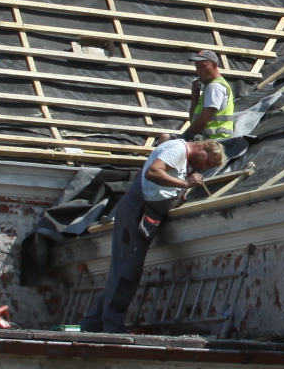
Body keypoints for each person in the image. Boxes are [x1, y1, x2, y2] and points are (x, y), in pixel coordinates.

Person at [79, 135, 225, 332]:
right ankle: (112, 327)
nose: (203, 167)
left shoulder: (182, 157)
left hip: (144, 214)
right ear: (202, 148)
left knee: (125, 271)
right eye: (207, 162)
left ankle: (92, 323)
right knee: (126, 272)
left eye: (208, 167)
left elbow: (160, 187)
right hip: (136, 211)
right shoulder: (177, 150)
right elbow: (153, 172)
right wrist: (184, 184)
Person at [181, 48, 236, 140]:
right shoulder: (210, 87)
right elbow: (194, 120)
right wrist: (195, 98)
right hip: (206, 137)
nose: (199, 71)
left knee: (165, 138)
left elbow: (204, 120)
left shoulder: (215, 87)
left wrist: (182, 137)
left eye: (203, 67)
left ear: (214, 65)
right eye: (197, 68)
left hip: (213, 139)